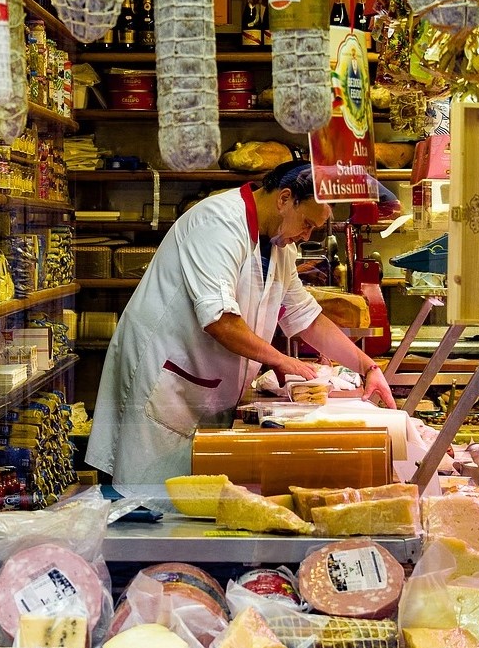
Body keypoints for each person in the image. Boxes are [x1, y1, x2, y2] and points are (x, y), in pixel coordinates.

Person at [85, 160, 398, 487]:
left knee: (190, 498)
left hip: (204, 384)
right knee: (149, 500)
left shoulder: (279, 247)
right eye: (307, 223)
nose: (307, 235)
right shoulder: (217, 223)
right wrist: (281, 360)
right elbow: (220, 321)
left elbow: (305, 318)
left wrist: (367, 368)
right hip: (166, 380)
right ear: (284, 199)